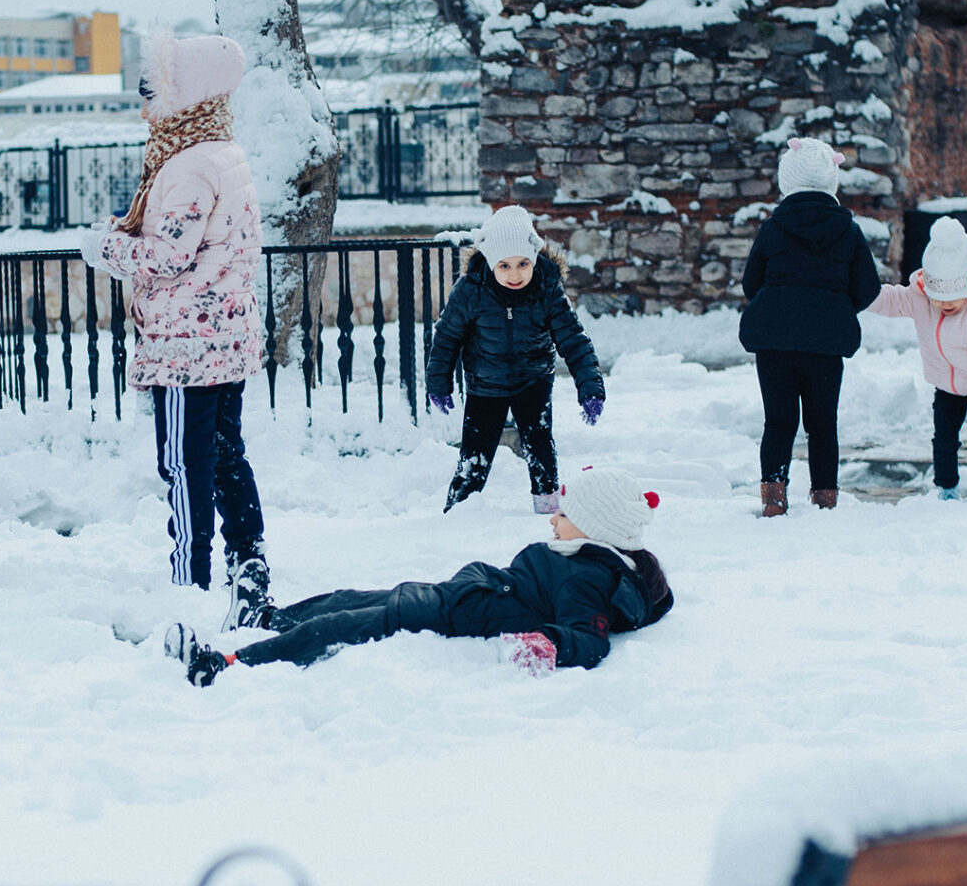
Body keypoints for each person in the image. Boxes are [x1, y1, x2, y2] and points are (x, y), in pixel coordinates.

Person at [85, 31, 270, 629]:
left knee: (184, 464)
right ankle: (250, 561)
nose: (144, 110)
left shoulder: (186, 164)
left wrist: (106, 246)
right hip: (224, 335)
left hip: (186, 343)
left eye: (150, 96)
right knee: (224, 455)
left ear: (181, 97)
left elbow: (168, 256)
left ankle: (189, 579)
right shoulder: (223, 151)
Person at [179, 466, 673, 685]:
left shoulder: (586, 579)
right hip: (456, 596)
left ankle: (231, 662)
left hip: (455, 614)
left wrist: (548, 643)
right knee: (345, 599)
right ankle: (266, 618)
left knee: (338, 627)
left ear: (596, 528)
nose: (553, 519)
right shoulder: (583, 559)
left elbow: (591, 640)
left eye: (564, 513)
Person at [423, 205, 607, 514]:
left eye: (523, 263)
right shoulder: (470, 291)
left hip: (533, 380)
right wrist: (438, 384)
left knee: (540, 447)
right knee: (474, 456)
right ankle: (457, 513)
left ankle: (547, 508)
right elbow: (446, 339)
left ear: (534, 258)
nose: (515, 274)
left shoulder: (547, 290)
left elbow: (574, 340)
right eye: (504, 266)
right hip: (485, 385)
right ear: (492, 263)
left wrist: (590, 387)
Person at [735, 138, 881, 516]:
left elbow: (752, 283)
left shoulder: (773, 228)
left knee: (779, 421)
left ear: (788, 181)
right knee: (822, 424)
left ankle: (773, 498)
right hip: (826, 343)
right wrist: (834, 307)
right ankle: (825, 498)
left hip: (774, 340)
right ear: (831, 181)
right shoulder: (848, 231)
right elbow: (867, 287)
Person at [869, 215, 967, 500]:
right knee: (944, 440)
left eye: (955, 296)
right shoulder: (920, 299)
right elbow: (890, 300)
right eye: (939, 297)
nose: (946, 304)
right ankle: (947, 488)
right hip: (947, 385)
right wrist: (863, 294)